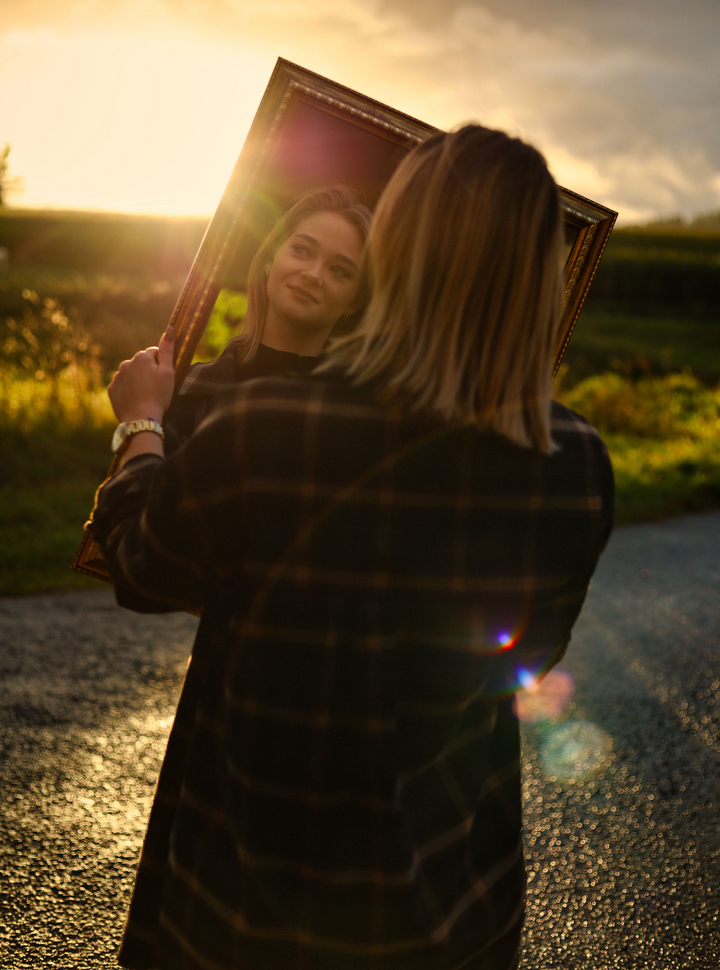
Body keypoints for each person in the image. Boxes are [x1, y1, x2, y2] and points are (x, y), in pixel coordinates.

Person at [91, 125, 614, 970]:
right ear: (537, 280)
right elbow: (531, 656)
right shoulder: (575, 462)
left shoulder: (263, 427)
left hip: (242, 904)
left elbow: (144, 568)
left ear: (391, 259)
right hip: (448, 907)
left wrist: (141, 425)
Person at [164, 185, 372, 452]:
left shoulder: (356, 417)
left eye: (339, 270)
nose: (313, 274)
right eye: (302, 251)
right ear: (270, 260)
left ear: (354, 302)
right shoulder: (190, 386)